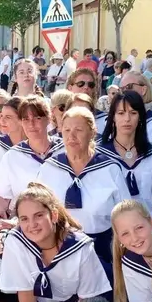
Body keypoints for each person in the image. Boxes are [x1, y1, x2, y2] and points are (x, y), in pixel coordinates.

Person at [38, 107, 131, 261]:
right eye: (67, 130)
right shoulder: (49, 167)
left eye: (78, 130)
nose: (71, 136)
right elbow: (37, 206)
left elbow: (125, 212)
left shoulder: (109, 168)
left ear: (92, 133)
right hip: (59, 245)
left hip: (102, 247)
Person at [97, 90, 152, 221]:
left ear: (140, 117)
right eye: (121, 113)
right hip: (108, 226)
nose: (127, 119)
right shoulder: (99, 154)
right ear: (113, 117)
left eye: (133, 113)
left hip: (144, 224)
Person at [0, 98, 58, 220]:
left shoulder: (64, 150)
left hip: (62, 221)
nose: (31, 124)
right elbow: (0, 195)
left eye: (37, 118)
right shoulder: (13, 156)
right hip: (26, 224)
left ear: (48, 118)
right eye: (26, 119)